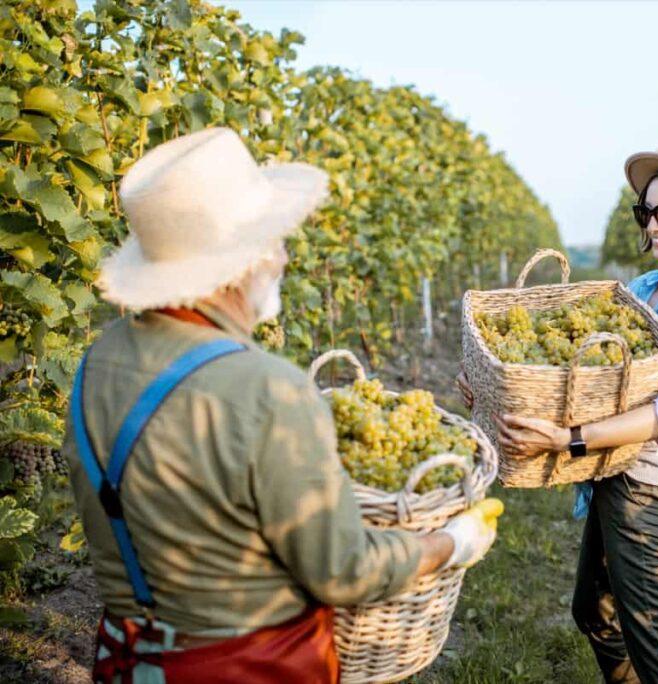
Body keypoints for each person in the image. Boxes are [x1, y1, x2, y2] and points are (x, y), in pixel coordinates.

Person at [65, 127, 502, 684]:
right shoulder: (265, 388)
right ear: (239, 264)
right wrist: (450, 544)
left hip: (128, 663)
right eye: (272, 240)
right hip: (247, 668)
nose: (284, 256)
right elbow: (343, 572)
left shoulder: (97, 364)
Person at [458, 139, 658, 683]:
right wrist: (497, 387)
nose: (653, 224)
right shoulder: (646, 288)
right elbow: (580, 370)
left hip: (648, 494)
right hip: (611, 472)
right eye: (647, 212)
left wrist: (567, 439)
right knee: (593, 613)